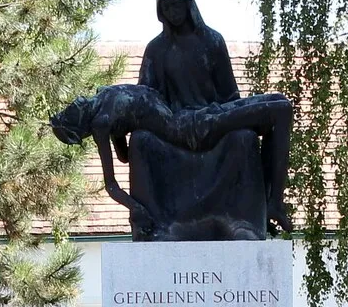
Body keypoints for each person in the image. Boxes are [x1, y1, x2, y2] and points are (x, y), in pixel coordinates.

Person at [74, 0, 291, 241]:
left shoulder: (213, 41)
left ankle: (242, 221)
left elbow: (230, 95)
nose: (172, 13)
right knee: (142, 141)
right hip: (173, 130)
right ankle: (159, 228)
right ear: (160, 13)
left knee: (243, 137)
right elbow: (147, 99)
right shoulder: (156, 49)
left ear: (189, 6)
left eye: (176, 6)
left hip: (213, 121)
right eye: (166, 9)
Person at [50, 85, 294, 241]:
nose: (71, 107)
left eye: (66, 111)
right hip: (191, 132)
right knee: (281, 110)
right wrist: (135, 207)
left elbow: (124, 155)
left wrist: (121, 135)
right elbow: (111, 184)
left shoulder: (103, 96)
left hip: (194, 117)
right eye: (68, 116)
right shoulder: (101, 124)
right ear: (77, 127)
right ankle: (274, 205)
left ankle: (272, 203)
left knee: (279, 100)